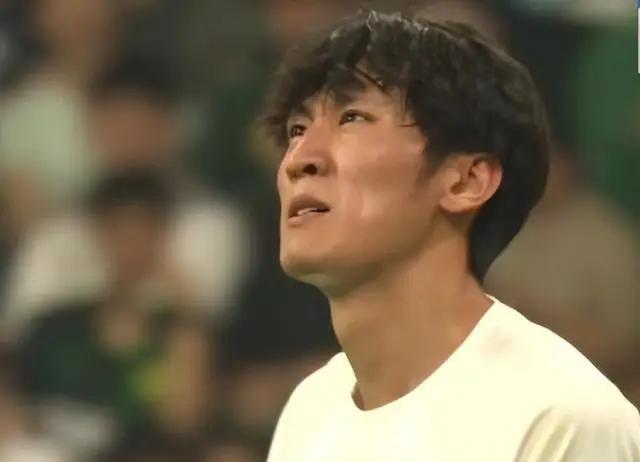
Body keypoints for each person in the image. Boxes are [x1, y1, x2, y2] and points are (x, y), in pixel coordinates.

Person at [262, 11, 640, 462]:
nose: (298, 159)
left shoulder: (558, 418)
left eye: (353, 118)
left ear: (465, 181)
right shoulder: (309, 412)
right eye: (297, 130)